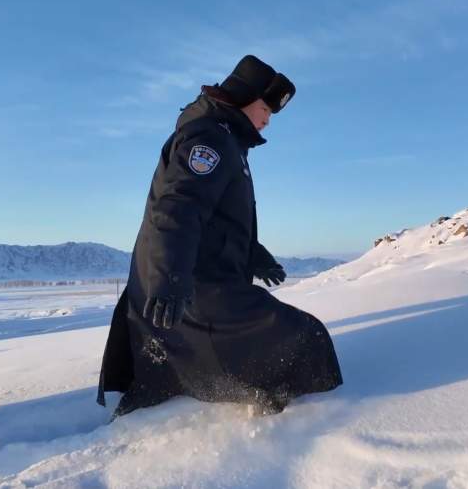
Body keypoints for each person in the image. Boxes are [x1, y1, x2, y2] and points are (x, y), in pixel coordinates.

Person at [98, 55, 342, 418]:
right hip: (192, 286)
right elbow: (179, 208)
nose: (267, 120)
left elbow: (218, 220)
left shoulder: (227, 140)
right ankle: (280, 415)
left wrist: (253, 253)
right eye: (265, 109)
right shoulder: (209, 138)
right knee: (306, 339)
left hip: (199, 278)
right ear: (246, 99)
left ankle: (242, 390)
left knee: (293, 337)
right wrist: (172, 278)